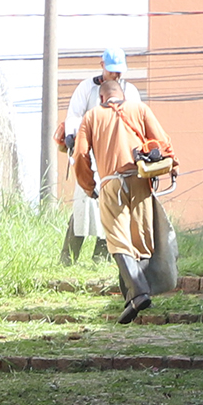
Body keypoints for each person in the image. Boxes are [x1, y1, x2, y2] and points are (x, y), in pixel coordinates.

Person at [73, 59, 179, 325]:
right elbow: (163, 142)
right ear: (121, 95)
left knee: (118, 240)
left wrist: (89, 186)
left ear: (101, 97)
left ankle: (139, 290)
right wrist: (173, 165)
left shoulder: (92, 117)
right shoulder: (139, 108)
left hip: (111, 184)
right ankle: (135, 295)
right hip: (140, 180)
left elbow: (80, 156)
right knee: (141, 238)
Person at [53, 49, 125, 266]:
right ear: (102, 65)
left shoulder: (128, 90)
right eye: (113, 72)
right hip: (89, 153)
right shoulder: (86, 88)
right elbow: (74, 116)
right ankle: (68, 259)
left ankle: (100, 259)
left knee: (111, 206)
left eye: (119, 72)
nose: (117, 76)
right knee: (84, 203)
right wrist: (73, 139)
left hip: (115, 157)